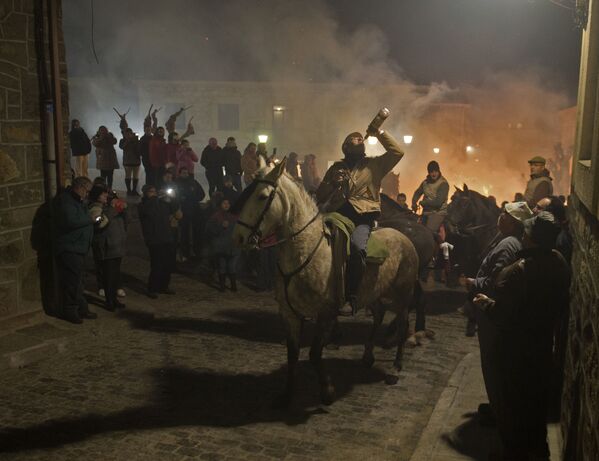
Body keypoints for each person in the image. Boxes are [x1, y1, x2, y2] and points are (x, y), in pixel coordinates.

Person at [473, 212, 569, 460]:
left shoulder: (517, 271)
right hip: (542, 345)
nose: (523, 236)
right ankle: (537, 448)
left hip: (515, 350)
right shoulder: (559, 261)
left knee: (511, 407)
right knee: (535, 404)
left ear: (533, 240)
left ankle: (512, 453)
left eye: (526, 233)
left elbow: (503, 314)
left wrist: (485, 303)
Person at [316, 127, 404, 315]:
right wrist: (333, 183)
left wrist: (379, 132)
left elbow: (398, 152)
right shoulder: (336, 168)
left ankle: (352, 298)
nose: (358, 139)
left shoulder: (376, 165)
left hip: (362, 217)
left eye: (360, 139)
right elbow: (320, 195)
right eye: (353, 139)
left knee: (357, 247)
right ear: (346, 147)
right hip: (338, 213)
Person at [463, 202, 533, 426]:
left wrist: (473, 283)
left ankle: (500, 413)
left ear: (512, 222)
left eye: (504, 214)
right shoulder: (509, 241)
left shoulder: (507, 245)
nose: (500, 216)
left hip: (493, 312)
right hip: (497, 311)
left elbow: (495, 282)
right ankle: (499, 407)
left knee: (493, 364)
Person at [52, 176, 97, 324]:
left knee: (78, 281)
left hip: (79, 247)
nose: (87, 194)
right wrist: (90, 219)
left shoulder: (78, 200)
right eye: (87, 191)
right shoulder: (66, 201)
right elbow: (71, 221)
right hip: (70, 247)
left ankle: (81, 308)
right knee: (72, 282)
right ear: (80, 188)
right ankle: (70, 311)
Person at [88, 185, 128, 311]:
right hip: (107, 247)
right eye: (103, 194)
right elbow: (99, 223)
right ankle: (109, 301)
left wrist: (122, 209)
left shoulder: (107, 207)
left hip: (116, 246)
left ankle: (114, 300)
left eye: (106, 194)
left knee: (115, 275)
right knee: (108, 276)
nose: (106, 196)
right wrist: (113, 209)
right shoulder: (95, 208)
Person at [138, 185, 178, 298]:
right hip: (154, 239)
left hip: (166, 237)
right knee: (157, 265)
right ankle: (153, 288)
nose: (154, 193)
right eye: (151, 191)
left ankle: (164, 286)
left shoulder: (162, 203)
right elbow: (148, 212)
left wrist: (173, 198)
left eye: (155, 191)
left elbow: (174, 209)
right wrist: (156, 198)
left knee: (167, 264)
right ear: (146, 193)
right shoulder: (143, 205)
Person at [206, 198, 240, 291]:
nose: (226, 205)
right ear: (220, 204)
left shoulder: (235, 216)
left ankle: (233, 286)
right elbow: (209, 229)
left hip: (233, 246)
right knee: (222, 267)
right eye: (224, 203)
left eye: (228, 203)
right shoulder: (216, 216)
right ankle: (222, 287)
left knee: (232, 267)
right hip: (220, 246)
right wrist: (220, 226)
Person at [175, 166, 205, 260]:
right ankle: (185, 252)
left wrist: (194, 199)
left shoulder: (193, 182)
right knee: (184, 232)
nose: (185, 174)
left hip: (195, 209)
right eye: (183, 173)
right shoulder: (176, 183)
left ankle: (197, 251)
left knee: (197, 231)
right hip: (183, 209)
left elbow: (201, 194)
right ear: (179, 173)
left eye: (186, 173)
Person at [411, 160, 449, 233]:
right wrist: (414, 203)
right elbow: (417, 192)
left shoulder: (443, 184)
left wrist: (424, 203)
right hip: (426, 212)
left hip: (438, 213)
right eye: (431, 172)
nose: (434, 174)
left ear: (438, 171)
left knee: (427, 232)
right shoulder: (425, 182)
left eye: (435, 171)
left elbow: (438, 202)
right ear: (429, 173)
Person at [533, 196, 572, 265]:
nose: (533, 210)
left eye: (538, 208)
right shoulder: (548, 233)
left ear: (550, 214)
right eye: (535, 206)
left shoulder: (560, 240)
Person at [119, 128, 141, 196]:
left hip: (136, 160)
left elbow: (139, 148)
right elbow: (122, 147)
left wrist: (135, 140)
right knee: (128, 175)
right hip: (127, 161)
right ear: (124, 134)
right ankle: (129, 190)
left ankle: (134, 190)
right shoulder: (122, 140)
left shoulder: (136, 140)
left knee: (135, 176)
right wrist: (127, 141)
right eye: (127, 134)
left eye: (130, 133)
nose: (128, 135)